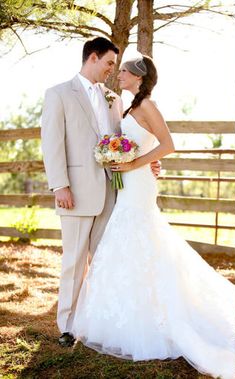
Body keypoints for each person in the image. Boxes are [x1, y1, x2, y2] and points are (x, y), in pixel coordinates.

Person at [70, 55, 235, 379]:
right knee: (129, 239)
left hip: (139, 182)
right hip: (130, 180)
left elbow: (168, 144)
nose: (118, 74)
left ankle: (159, 314)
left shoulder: (147, 105)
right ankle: (133, 311)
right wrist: (123, 156)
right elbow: (141, 143)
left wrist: (136, 164)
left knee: (141, 233)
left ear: (137, 76)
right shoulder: (131, 106)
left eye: (123, 71)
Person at [41, 37, 161, 348]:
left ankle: (95, 319)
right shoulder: (58, 94)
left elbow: (123, 140)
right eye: (109, 63)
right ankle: (67, 326)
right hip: (76, 192)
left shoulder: (114, 99)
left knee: (106, 258)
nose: (112, 70)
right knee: (75, 260)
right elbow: (51, 143)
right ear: (92, 58)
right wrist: (60, 185)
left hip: (113, 191)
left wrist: (151, 158)